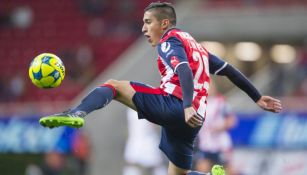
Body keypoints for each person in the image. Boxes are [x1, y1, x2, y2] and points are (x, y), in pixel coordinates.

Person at [39, 2, 282, 175]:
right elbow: (229, 70)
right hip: (194, 119)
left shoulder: (169, 41)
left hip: (176, 106)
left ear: (164, 23)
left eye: (148, 22)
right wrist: (257, 97)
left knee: (113, 86)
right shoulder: (195, 46)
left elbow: (183, 70)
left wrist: (185, 106)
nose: (144, 28)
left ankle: (76, 113)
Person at [195, 82, 237, 175]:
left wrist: (220, 127)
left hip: (221, 144)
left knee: (228, 170)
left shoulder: (221, 102)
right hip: (206, 144)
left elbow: (232, 120)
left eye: (211, 86)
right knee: (201, 169)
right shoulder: (199, 103)